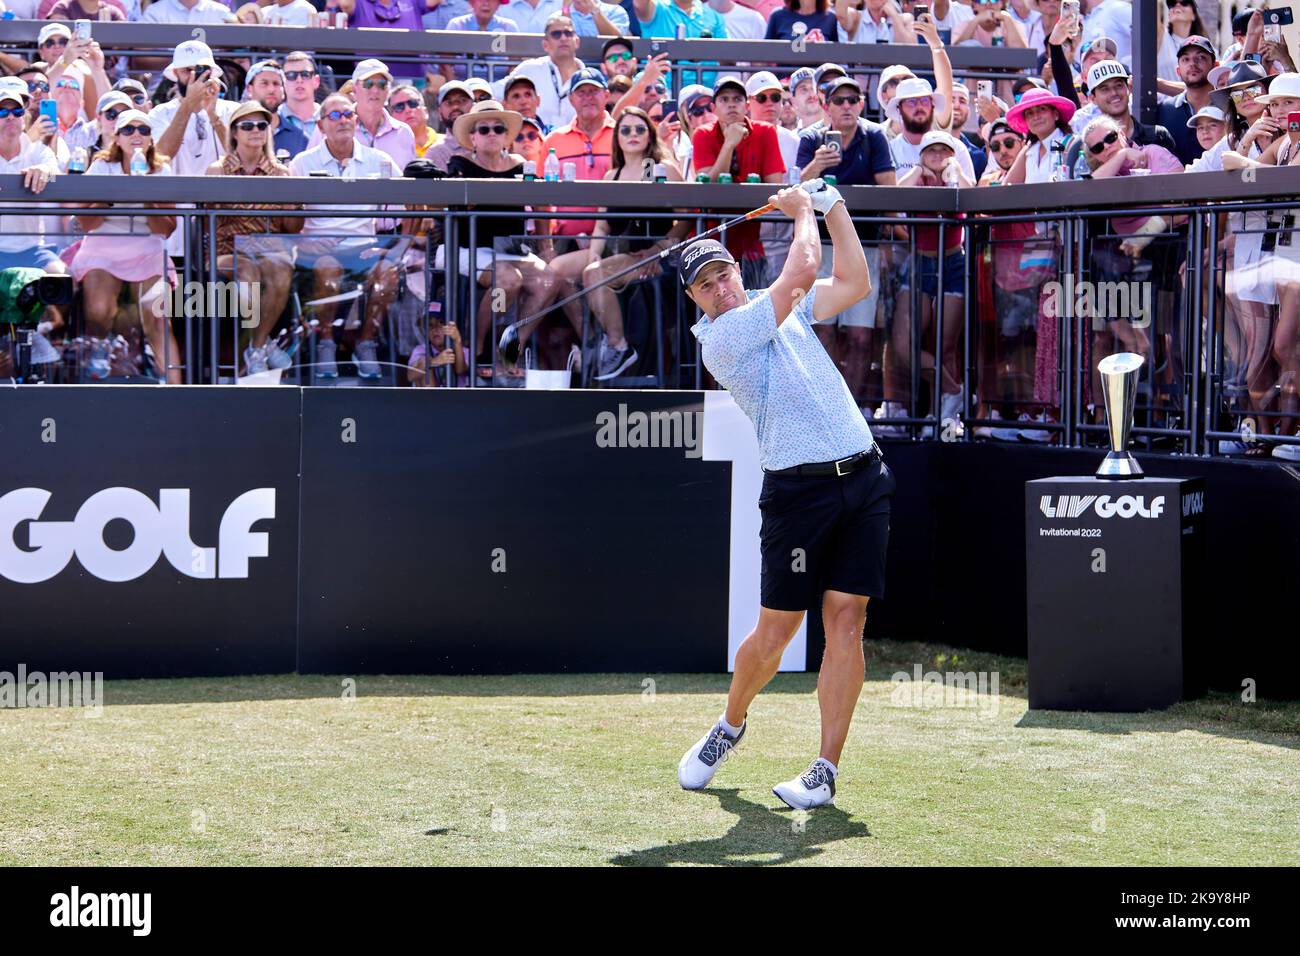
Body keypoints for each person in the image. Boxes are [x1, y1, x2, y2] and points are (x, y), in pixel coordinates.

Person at [676, 180, 893, 812]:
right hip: (798, 494)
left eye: (723, 274)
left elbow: (854, 283)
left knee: (846, 622)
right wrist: (802, 212)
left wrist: (834, 211)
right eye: (705, 284)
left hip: (864, 478)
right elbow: (803, 265)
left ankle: (825, 770)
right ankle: (731, 723)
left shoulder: (784, 308)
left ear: (737, 270)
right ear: (694, 299)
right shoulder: (721, 339)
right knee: (777, 631)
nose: (719, 287)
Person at [546, 106, 690, 380]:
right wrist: (594, 255)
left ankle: (618, 346)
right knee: (556, 269)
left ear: (649, 134)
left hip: (651, 253)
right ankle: (592, 337)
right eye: (625, 130)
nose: (633, 134)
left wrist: (658, 250)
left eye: (640, 129)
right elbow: (601, 225)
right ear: (617, 137)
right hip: (618, 249)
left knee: (594, 273)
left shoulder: (659, 168)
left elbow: (686, 220)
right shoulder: (612, 174)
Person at [441, 101, 559, 379]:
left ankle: (508, 349)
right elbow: (452, 205)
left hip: (510, 249)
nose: (491, 133)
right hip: (466, 246)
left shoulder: (522, 166)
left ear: (508, 136)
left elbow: (542, 204)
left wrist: (547, 248)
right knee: (508, 280)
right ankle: (478, 347)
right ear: (473, 137)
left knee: (550, 280)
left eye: (498, 128)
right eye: (484, 129)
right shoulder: (460, 164)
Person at [288, 93, 403, 381]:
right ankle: (327, 343)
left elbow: (412, 205)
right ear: (320, 124)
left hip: (364, 249)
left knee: (388, 273)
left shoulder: (380, 160)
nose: (343, 121)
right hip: (318, 251)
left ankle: (366, 343)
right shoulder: (302, 163)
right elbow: (287, 219)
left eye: (348, 114)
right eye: (335, 116)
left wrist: (394, 250)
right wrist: (304, 241)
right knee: (329, 268)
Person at [796, 75, 896, 399]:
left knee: (860, 336)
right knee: (822, 330)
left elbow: (890, 191)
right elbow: (797, 190)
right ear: (826, 106)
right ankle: (823, 403)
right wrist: (816, 166)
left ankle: (849, 408)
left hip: (863, 248)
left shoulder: (875, 136)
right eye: (838, 101)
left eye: (853, 100)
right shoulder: (811, 138)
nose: (847, 106)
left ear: (862, 104)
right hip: (821, 249)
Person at [72, 110, 182, 384]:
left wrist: (146, 196)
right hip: (103, 246)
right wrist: (113, 195)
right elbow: (86, 224)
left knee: (157, 316)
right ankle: (95, 372)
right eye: (129, 130)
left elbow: (166, 230)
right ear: (117, 138)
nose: (136, 135)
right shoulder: (100, 166)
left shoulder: (161, 170)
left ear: (150, 138)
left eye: (143, 130)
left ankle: (177, 390)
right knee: (98, 309)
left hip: (147, 247)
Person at [205, 100, 302, 376]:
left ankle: (256, 347)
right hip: (226, 249)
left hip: (269, 249)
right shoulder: (217, 170)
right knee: (248, 272)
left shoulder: (282, 173)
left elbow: (293, 227)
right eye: (247, 125)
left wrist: (293, 204)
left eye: (262, 124)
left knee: (282, 271)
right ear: (234, 132)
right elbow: (204, 224)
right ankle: (261, 347)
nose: (256, 130)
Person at [692, 74, 786, 285]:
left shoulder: (766, 132)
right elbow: (708, 188)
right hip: (709, 239)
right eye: (724, 99)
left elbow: (775, 185)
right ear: (714, 107)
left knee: (753, 309)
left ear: (747, 105)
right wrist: (729, 144)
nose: (731, 105)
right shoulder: (702, 134)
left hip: (750, 241)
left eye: (737, 99)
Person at [148, 40, 239, 178]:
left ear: (211, 73)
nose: (193, 76)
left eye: (199, 70)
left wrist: (213, 116)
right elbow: (159, 158)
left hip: (220, 197)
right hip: (176, 197)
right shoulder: (159, 114)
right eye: (187, 70)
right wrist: (188, 106)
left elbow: (242, 159)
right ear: (175, 73)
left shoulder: (233, 110)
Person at [500, 14, 586, 132]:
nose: (563, 38)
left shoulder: (589, 78)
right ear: (545, 44)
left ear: (577, 41)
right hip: (534, 143)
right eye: (556, 34)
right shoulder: (529, 69)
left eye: (568, 33)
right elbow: (496, 92)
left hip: (577, 146)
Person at [1156, 35, 1217, 165]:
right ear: (1178, 71)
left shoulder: (1228, 105)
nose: (1192, 63)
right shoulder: (1165, 111)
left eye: (1200, 57)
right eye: (1185, 59)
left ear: (1215, 65)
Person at [338, 0, 426, 78]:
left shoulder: (410, 1)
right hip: (372, 80)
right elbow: (345, 4)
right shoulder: (359, 3)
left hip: (412, 76)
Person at [390, 84, 440, 158]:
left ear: (425, 111)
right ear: (391, 117)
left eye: (413, 103)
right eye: (399, 107)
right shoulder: (388, 150)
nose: (408, 110)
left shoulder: (448, 144)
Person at [766, 0, 839, 41]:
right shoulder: (778, 16)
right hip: (788, 68)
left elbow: (836, 55)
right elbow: (764, 54)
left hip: (817, 67)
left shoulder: (831, 18)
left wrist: (822, 47)